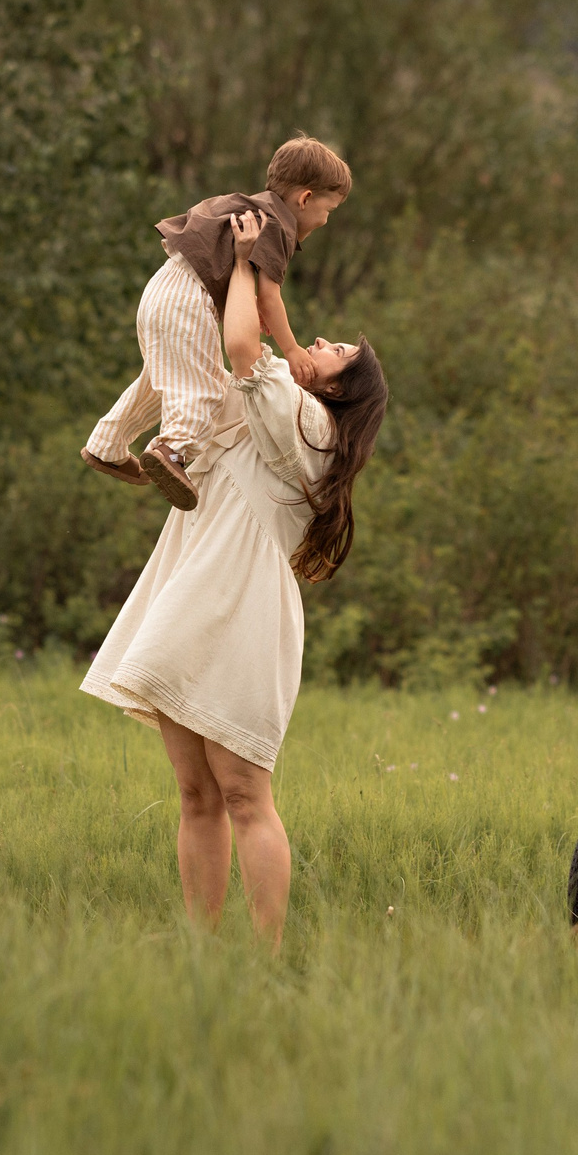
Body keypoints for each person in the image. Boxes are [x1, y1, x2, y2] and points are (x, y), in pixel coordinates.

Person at [82, 209, 391, 948]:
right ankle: (202, 950)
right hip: (194, 595)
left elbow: (245, 345)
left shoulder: (309, 428)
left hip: (242, 616)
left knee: (246, 795)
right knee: (195, 794)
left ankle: (267, 954)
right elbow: (198, 366)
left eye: (336, 349)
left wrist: (254, 260)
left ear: (343, 390)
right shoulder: (269, 400)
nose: (319, 341)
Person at [83, 136, 354, 510]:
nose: (326, 219)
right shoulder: (276, 226)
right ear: (305, 199)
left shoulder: (247, 206)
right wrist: (291, 350)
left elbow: (235, 275)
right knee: (207, 387)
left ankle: (106, 445)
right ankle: (173, 450)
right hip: (188, 304)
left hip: (163, 291)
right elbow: (271, 294)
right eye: (330, 209)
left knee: (158, 382)